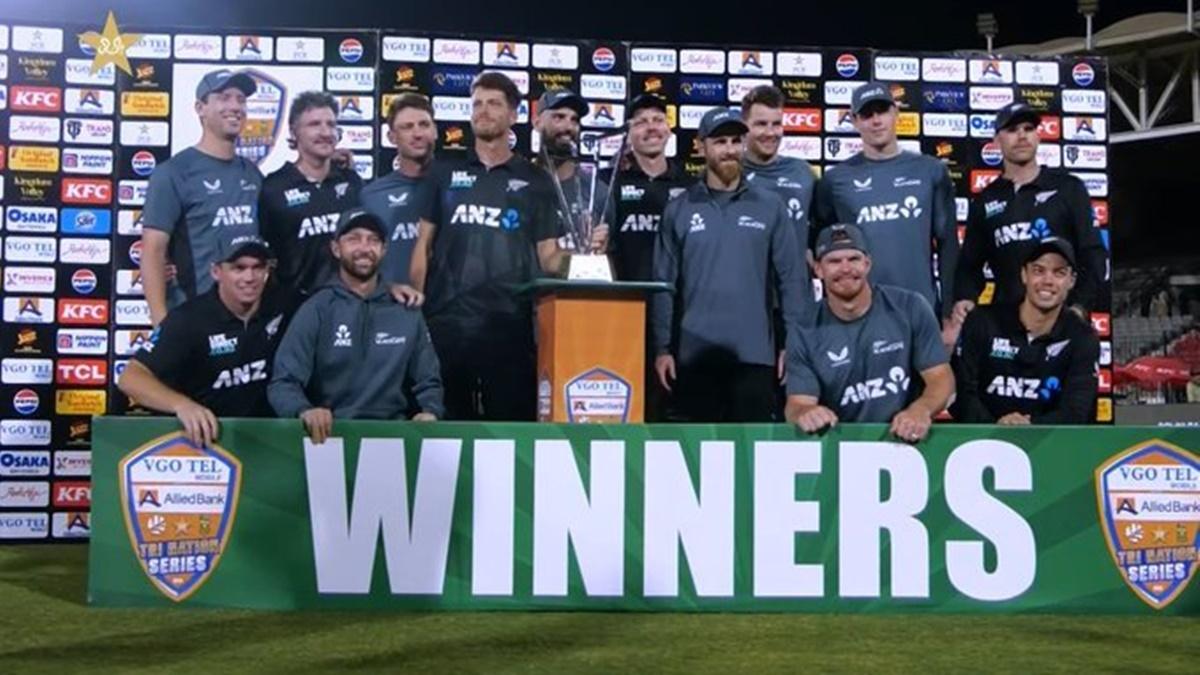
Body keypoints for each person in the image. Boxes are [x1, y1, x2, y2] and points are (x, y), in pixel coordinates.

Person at [410, 72, 604, 420]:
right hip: (446, 327)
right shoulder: (443, 171)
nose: (483, 111)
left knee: (508, 432)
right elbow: (423, 245)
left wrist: (584, 260)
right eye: (477, 104)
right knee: (448, 429)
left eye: (494, 104)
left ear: (513, 116)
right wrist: (415, 314)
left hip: (509, 328)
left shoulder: (536, 181)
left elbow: (548, 258)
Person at [652, 108, 810, 422]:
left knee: (753, 461)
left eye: (736, 141)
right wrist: (662, 348)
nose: (729, 150)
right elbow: (663, 285)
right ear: (701, 147)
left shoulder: (770, 207)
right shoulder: (678, 209)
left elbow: (791, 281)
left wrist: (794, 345)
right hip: (693, 356)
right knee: (695, 458)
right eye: (720, 141)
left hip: (755, 357)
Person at [269, 208, 444, 443]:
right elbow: (283, 382)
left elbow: (429, 380)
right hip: (331, 438)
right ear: (336, 248)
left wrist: (430, 411)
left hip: (394, 437)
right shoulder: (317, 309)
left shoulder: (406, 309)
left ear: (384, 250)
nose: (364, 248)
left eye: (373, 240)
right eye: (354, 239)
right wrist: (303, 410)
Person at [119, 231, 301, 447]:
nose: (249, 278)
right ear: (216, 272)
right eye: (238, 268)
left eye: (258, 267)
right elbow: (131, 378)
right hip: (206, 443)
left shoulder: (287, 306)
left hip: (269, 441)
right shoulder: (188, 320)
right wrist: (182, 405)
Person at [813, 82, 959, 342]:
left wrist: (948, 314)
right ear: (855, 121)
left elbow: (948, 246)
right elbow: (820, 251)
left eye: (882, 111)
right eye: (867, 115)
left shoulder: (931, 170)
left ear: (896, 113)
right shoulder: (834, 181)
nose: (876, 121)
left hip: (921, 313)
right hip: (857, 317)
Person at [785, 224, 954, 442]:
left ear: (867, 264)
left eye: (853, 259)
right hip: (840, 446)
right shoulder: (804, 330)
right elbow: (797, 404)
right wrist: (805, 414)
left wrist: (921, 410)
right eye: (834, 261)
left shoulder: (910, 307)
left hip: (906, 441)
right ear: (818, 269)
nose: (846, 268)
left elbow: (941, 378)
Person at [954, 102, 1107, 322]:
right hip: (1006, 327)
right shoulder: (986, 200)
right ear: (996, 141)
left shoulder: (1068, 188)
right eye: (1012, 130)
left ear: (1038, 136)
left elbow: (1093, 255)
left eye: (1028, 129)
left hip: (1061, 324)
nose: (1022, 136)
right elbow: (969, 266)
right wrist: (965, 298)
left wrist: (1080, 307)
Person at [140, 69, 262, 326]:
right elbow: (153, 250)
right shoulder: (173, 173)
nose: (235, 106)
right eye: (224, 97)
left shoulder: (252, 173)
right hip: (193, 318)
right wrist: (160, 324)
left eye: (241, 99)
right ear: (200, 108)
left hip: (246, 320)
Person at [951, 237, 1100, 424]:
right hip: (982, 443)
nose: (1048, 281)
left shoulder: (1082, 338)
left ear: (1071, 281)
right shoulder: (983, 322)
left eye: (1059, 273)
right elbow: (961, 394)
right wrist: (993, 428)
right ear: (1024, 275)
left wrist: (1031, 427)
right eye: (1038, 270)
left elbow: (1077, 410)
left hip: (1049, 446)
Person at [258, 91, 363, 294]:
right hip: (294, 307)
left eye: (331, 124)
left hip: (349, 304)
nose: (325, 132)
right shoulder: (273, 188)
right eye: (314, 124)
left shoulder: (351, 182)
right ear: (294, 132)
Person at [608, 93, 691, 282]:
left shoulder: (690, 186)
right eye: (641, 122)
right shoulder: (610, 182)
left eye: (658, 120)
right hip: (623, 297)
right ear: (628, 134)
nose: (652, 127)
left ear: (669, 129)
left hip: (676, 297)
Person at [360, 93, 438, 284]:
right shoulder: (371, 196)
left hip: (448, 309)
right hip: (393, 307)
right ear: (392, 137)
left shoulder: (455, 187)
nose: (418, 133)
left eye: (424, 124)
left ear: (435, 131)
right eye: (407, 127)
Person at [741, 85, 818, 270]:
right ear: (744, 126)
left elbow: (822, 227)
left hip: (794, 289)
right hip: (743, 285)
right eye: (761, 124)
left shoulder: (803, 172)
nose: (770, 133)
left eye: (776, 124)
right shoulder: (728, 172)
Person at [533, 88, 612, 253]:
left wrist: (600, 250)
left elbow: (609, 258)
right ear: (537, 122)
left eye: (574, 120)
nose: (568, 127)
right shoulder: (522, 182)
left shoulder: (597, 191)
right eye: (559, 117)